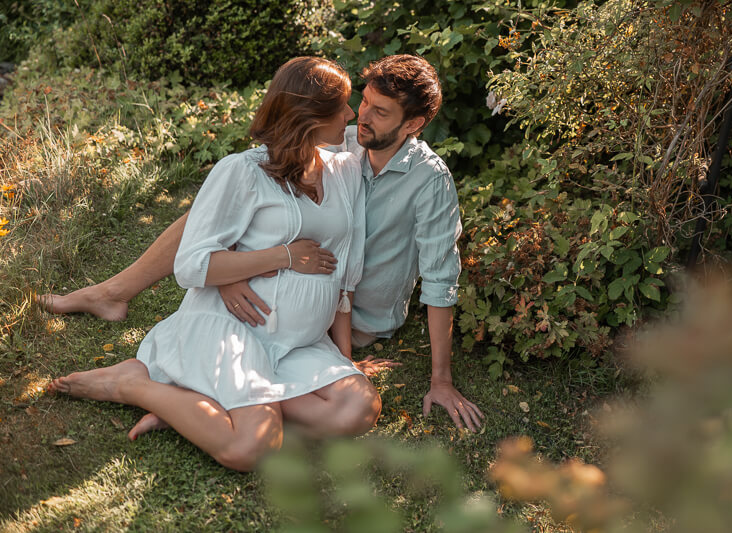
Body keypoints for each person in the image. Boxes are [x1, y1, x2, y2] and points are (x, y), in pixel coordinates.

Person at [41, 54, 485, 432]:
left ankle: (198, 407)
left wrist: (440, 379)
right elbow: (258, 194)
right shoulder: (344, 140)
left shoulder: (429, 180)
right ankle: (115, 294)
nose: (361, 117)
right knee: (203, 214)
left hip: (353, 314)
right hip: (278, 299)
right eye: (362, 103)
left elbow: (441, 278)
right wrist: (232, 268)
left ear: (416, 123)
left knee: (344, 404)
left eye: (379, 112)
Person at [48, 57, 381, 472]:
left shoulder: (343, 167)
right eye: (342, 107)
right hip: (233, 329)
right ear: (308, 116)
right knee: (251, 449)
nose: (351, 116)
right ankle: (132, 385)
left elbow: (344, 263)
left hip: (297, 345)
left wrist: (343, 355)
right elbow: (192, 264)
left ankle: (196, 404)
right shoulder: (242, 171)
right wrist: (285, 256)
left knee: (358, 409)